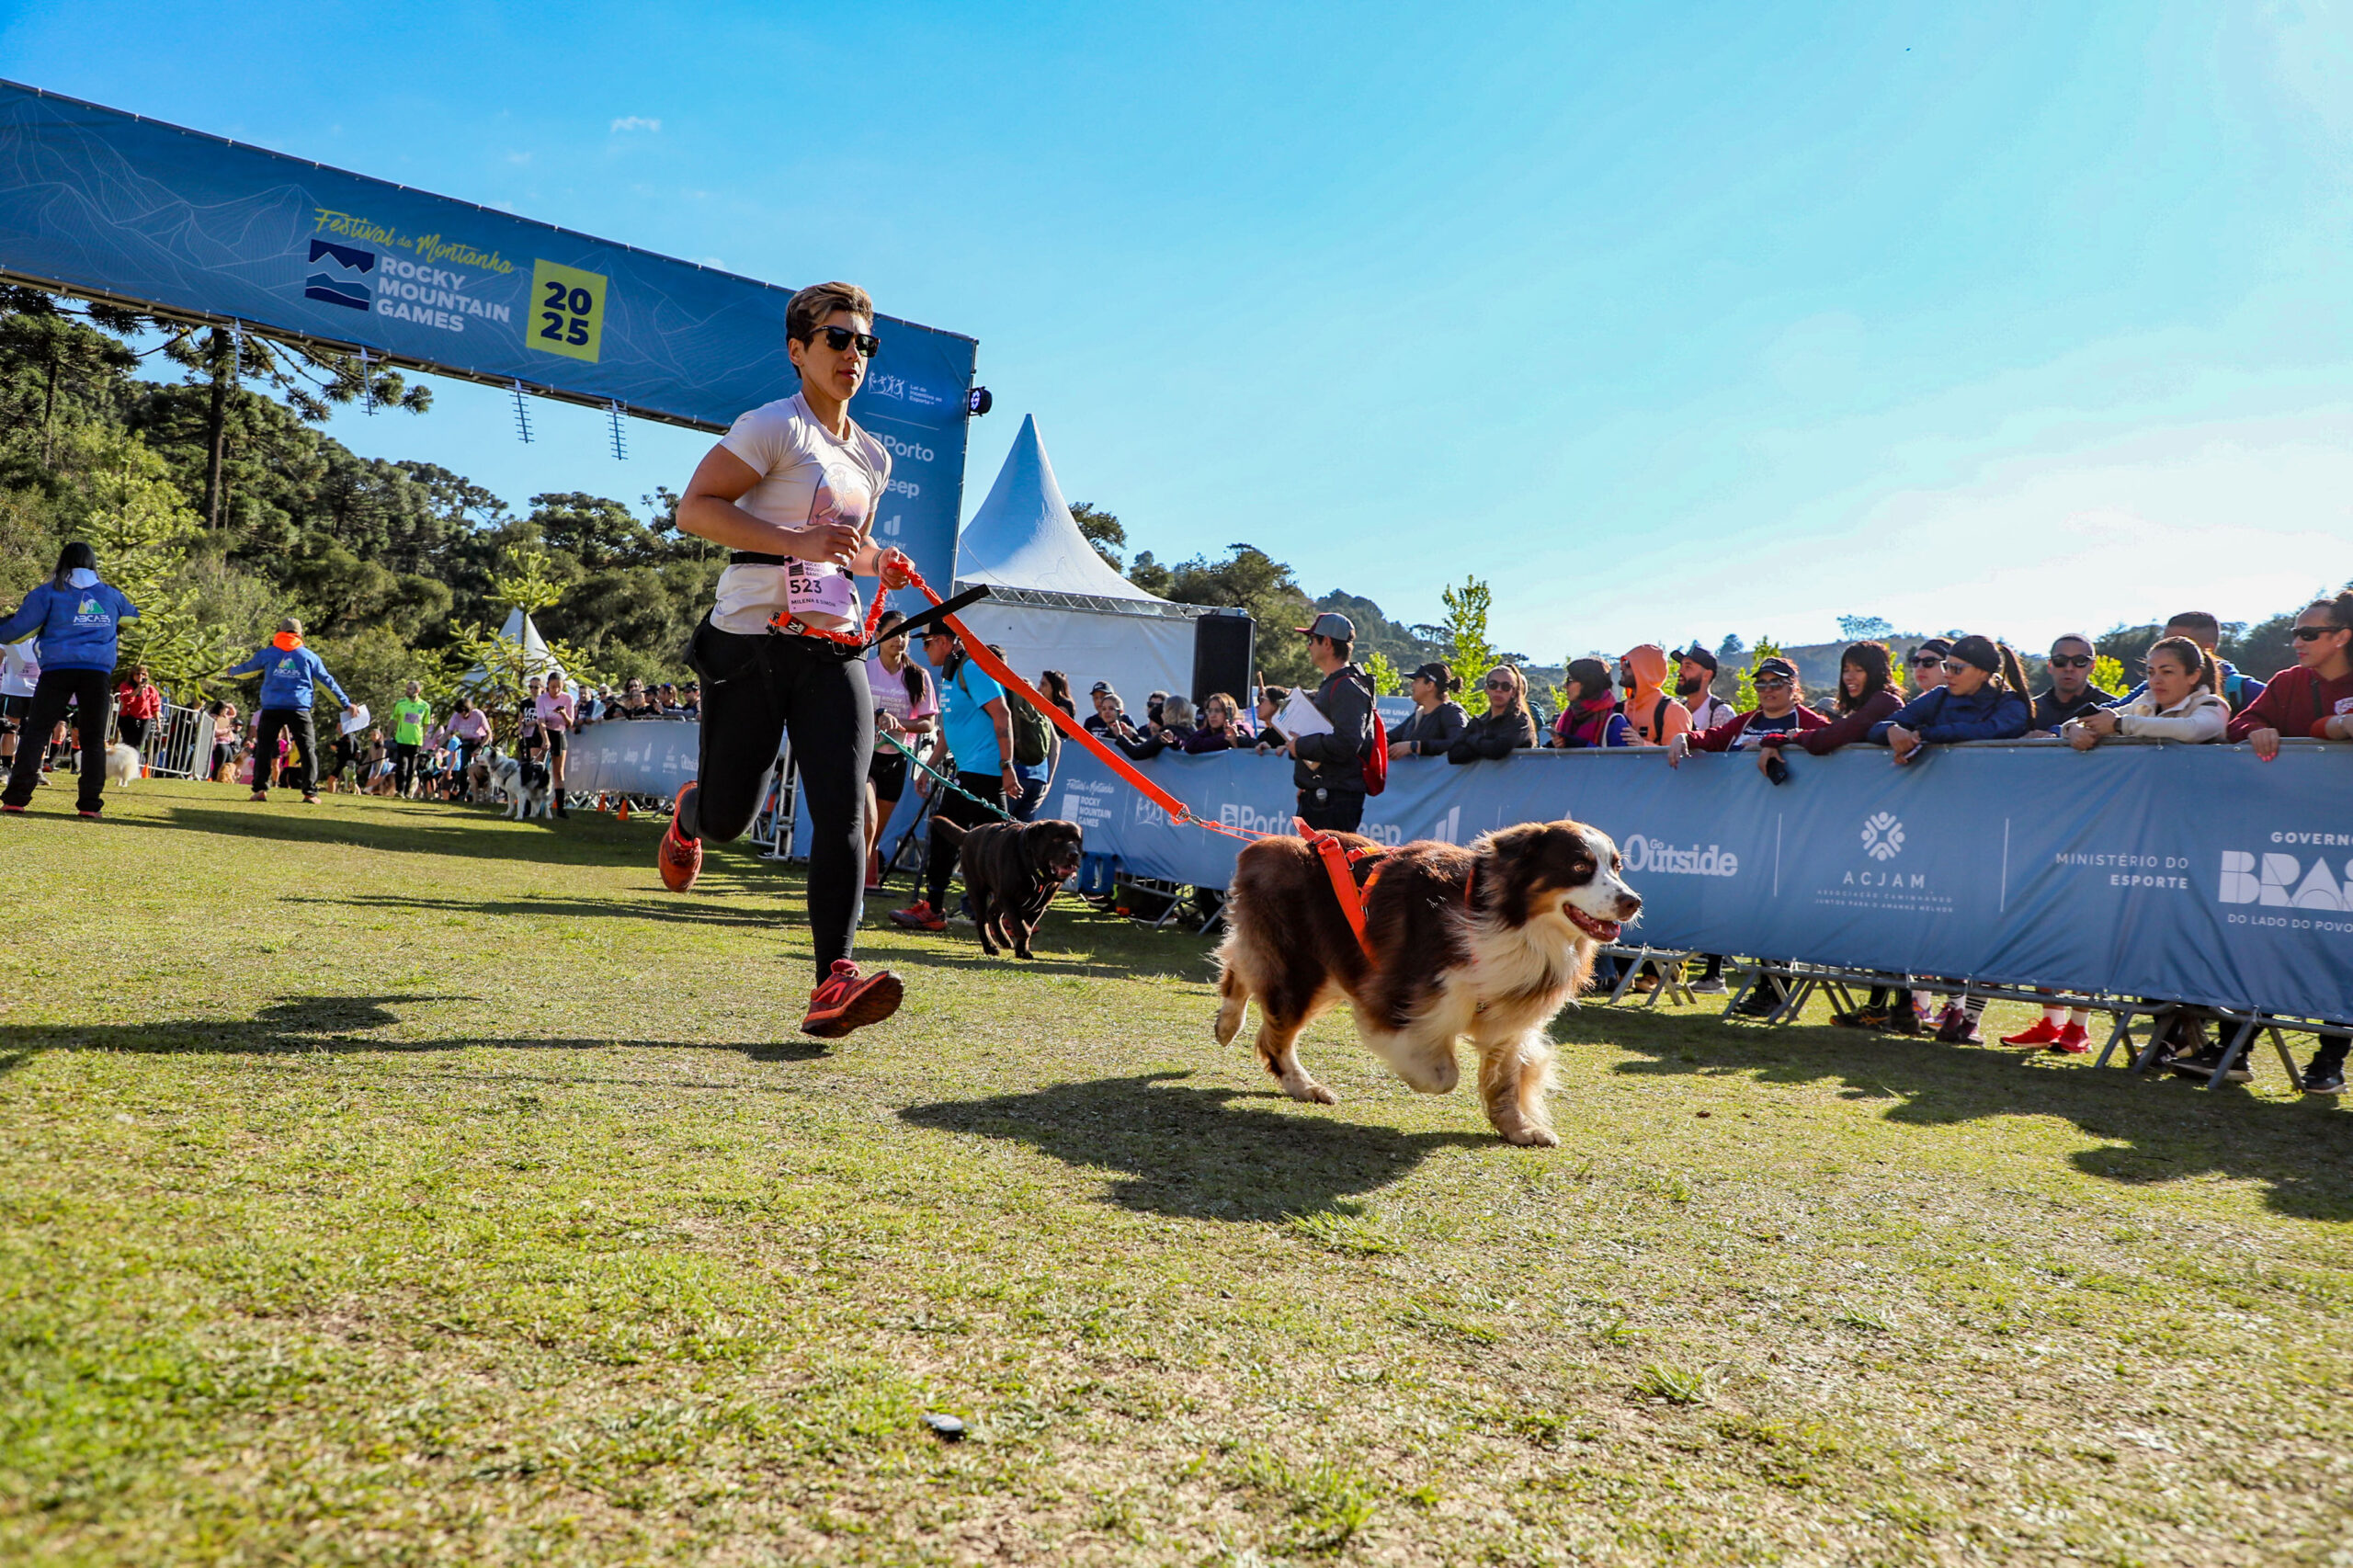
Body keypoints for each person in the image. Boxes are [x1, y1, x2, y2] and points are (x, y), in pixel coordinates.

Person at [658, 280, 912, 1038]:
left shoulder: (872, 455)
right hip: (749, 640)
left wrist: (874, 565)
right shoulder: (773, 425)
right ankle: (693, 813)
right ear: (798, 350)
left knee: (841, 805)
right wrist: (796, 545)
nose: (853, 355)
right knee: (734, 816)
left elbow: (840, 542)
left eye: (864, 343)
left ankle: (832, 980)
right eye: (837, 339)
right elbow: (696, 508)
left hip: (832, 646)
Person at [892, 626, 1018, 933]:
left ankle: (936, 909)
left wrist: (1007, 766)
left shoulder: (973, 669)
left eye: (928, 643)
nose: (924, 649)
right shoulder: (952, 673)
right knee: (1000, 843)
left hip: (984, 769)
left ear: (945, 642)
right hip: (969, 770)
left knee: (949, 832)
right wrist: (928, 767)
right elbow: (951, 730)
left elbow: (1002, 715)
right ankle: (1013, 912)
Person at [0, 543, 140, 820]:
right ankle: (89, 804)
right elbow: (131, 618)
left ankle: (16, 799)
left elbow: (15, 632)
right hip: (97, 672)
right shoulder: (111, 595)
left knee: (37, 732)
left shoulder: (47, 593)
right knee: (92, 740)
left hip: (56, 670)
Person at [223, 618, 353, 806]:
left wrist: (232, 671)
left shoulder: (268, 654)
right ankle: (310, 793)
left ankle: (260, 790)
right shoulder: (308, 656)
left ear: (279, 632)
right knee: (307, 750)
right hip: (299, 708)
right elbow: (327, 681)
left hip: (271, 707)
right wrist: (346, 703)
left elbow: (247, 669)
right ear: (300, 634)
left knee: (264, 750)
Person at [862, 608, 938, 892]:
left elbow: (928, 723)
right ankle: (857, 884)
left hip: (896, 760)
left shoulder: (919, 676)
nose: (900, 639)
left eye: (905, 634)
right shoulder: (863, 669)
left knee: (876, 831)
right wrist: (876, 716)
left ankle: (867, 882)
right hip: (865, 756)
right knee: (868, 822)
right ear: (878, 635)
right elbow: (848, 711)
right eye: (893, 633)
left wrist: (898, 723)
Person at [1868, 635, 2032, 763]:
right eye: (1946, 666)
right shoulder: (1938, 697)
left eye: (1957, 669)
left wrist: (1924, 734)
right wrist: (1891, 730)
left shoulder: (2011, 705)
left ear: (1983, 673)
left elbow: (1989, 732)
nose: (1947, 674)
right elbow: (1876, 730)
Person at [2227, 590, 2353, 756]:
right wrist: (2255, 730)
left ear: (2342, 637)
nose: (2296, 644)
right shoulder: (2288, 681)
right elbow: (2239, 725)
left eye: (2308, 635)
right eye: (2295, 634)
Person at [1285, 611, 1375, 831]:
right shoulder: (1338, 684)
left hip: (1334, 801)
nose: (1308, 646)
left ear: (1326, 643)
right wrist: (1311, 781)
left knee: (1328, 866)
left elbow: (1347, 742)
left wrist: (1301, 746)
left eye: (1311, 640)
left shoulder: (1346, 687)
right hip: (1324, 794)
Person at [2063, 636, 2231, 750]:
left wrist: (2119, 725)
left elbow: (2192, 730)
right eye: (2151, 672)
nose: (2156, 680)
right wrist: (2074, 730)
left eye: (2167, 672)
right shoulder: (2143, 703)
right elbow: (2092, 720)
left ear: (2193, 676)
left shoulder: (2212, 705)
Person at [1666, 656, 1824, 766]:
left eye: (1776, 683)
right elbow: (1715, 737)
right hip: (1742, 804)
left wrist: (1783, 741)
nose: (1768, 689)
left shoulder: (1807, 720)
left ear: (1793, 687)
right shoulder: (1747, 720)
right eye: (1761, 684)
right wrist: (1685, 737)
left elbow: (1831, 738)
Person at [2122, 610, 2265, 713]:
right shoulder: (2155, 684)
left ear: (2208, 649)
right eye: (2165, 642)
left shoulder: (2241, 689)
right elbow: (2113, 710)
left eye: (2180, 644)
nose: (2167, 649)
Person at [1448, 664, 1540, 763]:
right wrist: (1486, 745)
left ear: (1513, 692)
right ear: (1486, 689)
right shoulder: (1478, 721)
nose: (1498, 690)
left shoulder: (1520, 720)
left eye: (1506, 686)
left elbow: (1498, 750)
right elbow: (1454, 755)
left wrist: (1472, 740)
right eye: (1493, 685)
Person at [2027, 634, 2115, 734]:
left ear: (2092, 666)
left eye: (2080, 661)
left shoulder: (2111, 711)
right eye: (2060, 660)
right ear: (2050, 665)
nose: (2069, 668)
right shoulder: (2029, 711)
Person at [1389, 661, 1468, 758]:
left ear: (1429, 685)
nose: (1412, 685)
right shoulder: (1418, 715)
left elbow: (1460, 744)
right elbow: (1389, 738)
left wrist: (1415, 746)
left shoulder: (1452, 712)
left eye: (1416, 681)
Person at [1617, 644, 1689, 747]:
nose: (1621, 667)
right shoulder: (1620, 709)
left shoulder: (1673, 711)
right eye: (1623, 662)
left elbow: (1679, 759)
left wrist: (1643, 745)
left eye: (1628, 663)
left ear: (1644, 669)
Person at [1549, 659, 1631, 748]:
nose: (1565, 686)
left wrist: (1581, 746)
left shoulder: (1615, 722)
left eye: (1570, 680)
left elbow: (1622, 760)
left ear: (1588, 682)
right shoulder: (1569, 717)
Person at [536, 672, 576, 817]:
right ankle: (531, 806)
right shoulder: (542, 699)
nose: (556, 690)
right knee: (538, 770)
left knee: (558, 772)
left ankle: (560, 808)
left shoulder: (568, 698)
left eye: (559, 687)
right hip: (543, 732)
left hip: (559, 733)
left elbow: (570, 723)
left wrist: (563, 714)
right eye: (553, 687)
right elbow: (540, 720)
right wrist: (545, 739)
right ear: (548, 686)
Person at [1676, 646, 1735, 733]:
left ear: (1707, 675)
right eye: (1681, 666)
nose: (1680, 671)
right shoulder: (1676, 710)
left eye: (1688, 667)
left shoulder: (1721, 713)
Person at [391, 680, 432, 798]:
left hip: (416, 742)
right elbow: (394, 719)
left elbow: (426, 724)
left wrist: (424, 738)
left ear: (417, 691)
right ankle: (400, 791)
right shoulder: (400, 704)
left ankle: (408, 791)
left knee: (411, 768)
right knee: (402, 766)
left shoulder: (425, 706)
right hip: (402, 740)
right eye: (407, 688)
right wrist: (390, 733)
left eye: (410, 689)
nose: (407, 691)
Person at [113, 664, 161, 756]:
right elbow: (126, 699)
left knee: (138, 745)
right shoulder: (126, 686)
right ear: (132, 675)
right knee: (128, 744)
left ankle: (134, 766)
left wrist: (158, 721)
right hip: (128, 718)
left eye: (143, 674)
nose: (140, 676)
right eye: (138, 674)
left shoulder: (151, 689)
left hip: (144, 719)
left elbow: (155, 706)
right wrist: (138, 690)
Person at [1182, 692, 1246, 753]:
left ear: (1229, 713)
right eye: (1210, 711)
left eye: (1217, 711)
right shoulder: (1207, 732)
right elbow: (1190, 745)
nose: (1212, 715)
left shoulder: (1241, 729)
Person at [449, 698, 492, 784]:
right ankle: (462, 791)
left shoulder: (478, 714)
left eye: (464, 712)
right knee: (464, 766)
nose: (462, 714)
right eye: (460, 712)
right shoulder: (456, 716)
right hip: (468, 741)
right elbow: (447, 733)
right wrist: (437, 748)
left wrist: (480, 748)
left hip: (482, 741)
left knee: (482, 764)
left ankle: (484, 786)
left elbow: (489, 733)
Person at [206, 700, 238, 784]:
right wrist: (227, 730)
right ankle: (215, 779)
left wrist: (229, 705)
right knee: (219, 764)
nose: (227, 711)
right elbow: (215, 732)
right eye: (225, 709)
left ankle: (227, 779)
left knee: (229, 763)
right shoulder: (213, 717)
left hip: (227, 743)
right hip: (219, 743)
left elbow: (234, 713)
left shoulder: (225, 717)